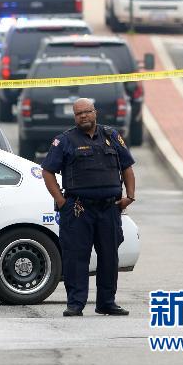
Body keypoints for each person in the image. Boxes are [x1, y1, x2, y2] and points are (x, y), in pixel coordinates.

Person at [41, 98, 136, 317]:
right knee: (76, 258)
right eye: (78, 114)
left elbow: (127, 167)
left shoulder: (112, 136)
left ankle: (106, 302)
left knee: (109, 257)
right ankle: (75, 304)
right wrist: (62, 202)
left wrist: (130, 196)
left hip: (109, 208)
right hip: (78, 210)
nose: (83, 116)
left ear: (95, 112)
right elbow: (47, 172)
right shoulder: (64, 140)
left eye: (87, 112)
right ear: (74, 117)